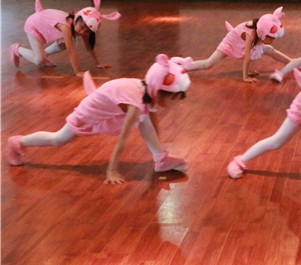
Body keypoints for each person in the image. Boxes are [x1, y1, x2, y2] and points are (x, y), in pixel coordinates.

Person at [6, 54, 192, 184]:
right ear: (159, 90)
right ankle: (17, 142)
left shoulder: (146, 91)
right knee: (58, 139)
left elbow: (152, 121)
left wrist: (159, 152)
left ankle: (160, 160)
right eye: (173, 97)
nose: (173, 101)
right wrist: (111, 170)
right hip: (87, 112)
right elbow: (123, 139)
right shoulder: (136, 103)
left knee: (145, 121)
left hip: (107, 105)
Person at [8, 0, 120, 76]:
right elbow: (71, 51)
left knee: (62, 44)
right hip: (33, 25)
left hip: (43, 22)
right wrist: (77, 72)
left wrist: (98, 63)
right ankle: (16, 49)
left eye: (87, 31)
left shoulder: (83, 26)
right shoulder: (66, 27)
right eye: (82, 27)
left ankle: (44, 56)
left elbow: (89, 47)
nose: (83, 32)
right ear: (77, 19)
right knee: (39, 60)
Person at [187, 7, 292, 83]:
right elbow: (247, 56)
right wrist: (245, 77)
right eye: (271, 38)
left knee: (270, 49)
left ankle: (292, 62)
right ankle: (183, 67)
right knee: (208, 64)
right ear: (263, 33)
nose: (273, 40)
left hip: (240, 43)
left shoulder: (259, 31)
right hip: (229, 44)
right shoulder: (251, 34)